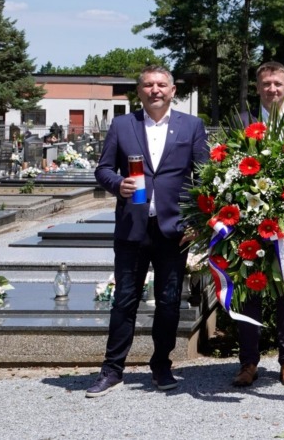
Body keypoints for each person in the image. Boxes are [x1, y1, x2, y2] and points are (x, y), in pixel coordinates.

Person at [87, 66, 208, 397]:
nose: (155, 90)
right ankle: (112, 370)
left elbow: (205, 176)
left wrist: (198, 222)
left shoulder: (192, 126)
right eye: (148, 85)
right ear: (138, 91)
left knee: (169, 302)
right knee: (124, 301)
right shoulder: (123, 125)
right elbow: (103, 169)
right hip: (132, 229)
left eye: (161, 85)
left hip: (174, 230)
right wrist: (118, 183)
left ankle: (161, 365)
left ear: (172, 90)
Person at [233, 61, 284, 388]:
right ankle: (248, 363)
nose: (272, 89)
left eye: (278, 84)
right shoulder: (242, 123)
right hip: (250, 223)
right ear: (258, 88)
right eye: (266, 83)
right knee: (248, 292)